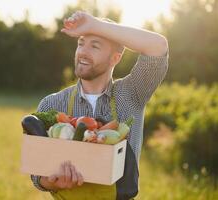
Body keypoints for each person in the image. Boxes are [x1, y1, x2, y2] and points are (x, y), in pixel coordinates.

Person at [30, 11, 169, 200]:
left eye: (95, 46)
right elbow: (37, 175)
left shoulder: (132, 93)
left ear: (115, 58)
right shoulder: (52, 103)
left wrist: (94, 25)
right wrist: (52, 181)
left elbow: (158, 46)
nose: (83, 52)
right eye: (81, 43)